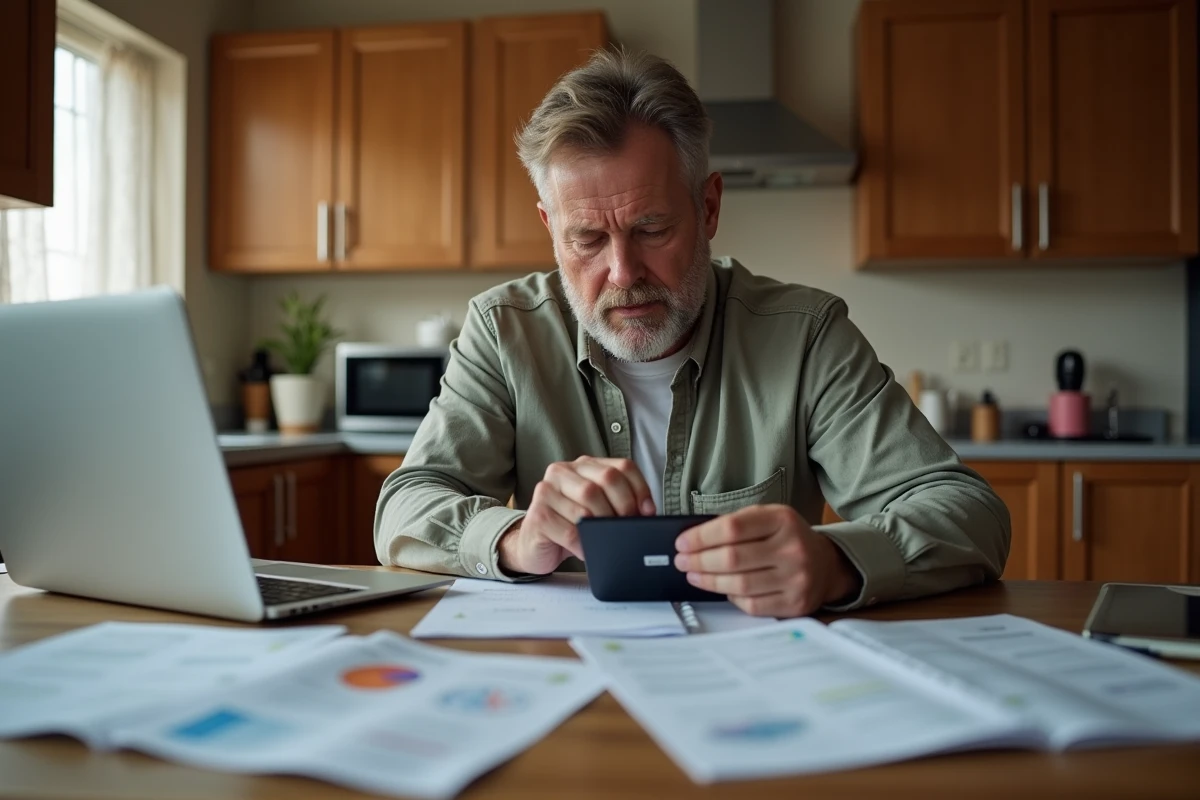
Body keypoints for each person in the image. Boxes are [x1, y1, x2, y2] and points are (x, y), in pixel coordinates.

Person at [375, 49, 1010, 618]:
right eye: (587, 239)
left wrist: (835, 562)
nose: (623, 273)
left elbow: (967, 511)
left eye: (651, 230)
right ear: (550, 228)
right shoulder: (504, 331)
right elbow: (406, 504)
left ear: (708, 208)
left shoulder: (806, 336)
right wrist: (517, 538)